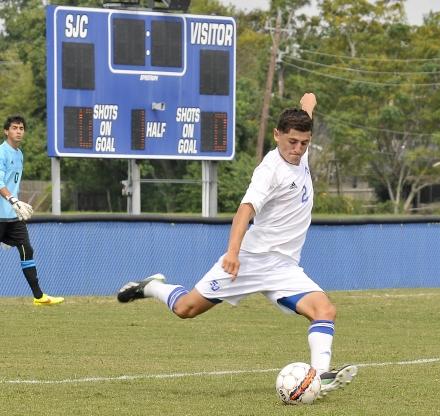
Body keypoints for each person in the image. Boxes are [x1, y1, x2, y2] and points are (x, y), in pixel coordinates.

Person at [117, 93, 357, 398]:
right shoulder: (269, 171)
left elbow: (305, 118)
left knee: (325, 310)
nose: (297, 150)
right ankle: (150, 286)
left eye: (304, 143)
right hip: (249, 261)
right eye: (292, 142)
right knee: (185, 309)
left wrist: (308, 104)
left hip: (283, 267)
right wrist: (232, 253)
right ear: (277, 135)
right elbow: (244, 211)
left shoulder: (300, 152)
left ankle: (320, 377)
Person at [0, 115, 64, 305]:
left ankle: (39, 297)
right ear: (6, 131)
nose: (18, 131)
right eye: (14, 128)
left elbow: (14, 183)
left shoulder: (19, 154)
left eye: (21, 128)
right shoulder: (1, 152)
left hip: (12, 217)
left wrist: (16, 204)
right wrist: (12, 199)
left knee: (27, 250)